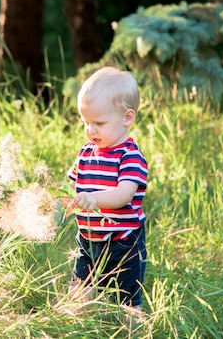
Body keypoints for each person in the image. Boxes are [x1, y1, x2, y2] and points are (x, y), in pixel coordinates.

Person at [64, 66, 149, 320]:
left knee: (127, 297)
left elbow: (123, 194)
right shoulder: (86, 152)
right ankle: (76, 323)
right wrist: (66, 197)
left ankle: (132, 328)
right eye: (86, 122)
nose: (91, 130)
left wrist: (94, 198)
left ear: (127, 118)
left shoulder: (130, 156)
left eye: (99, 123)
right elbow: (73, 183)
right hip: (88, 237)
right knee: (80, 289)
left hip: (123, 241)